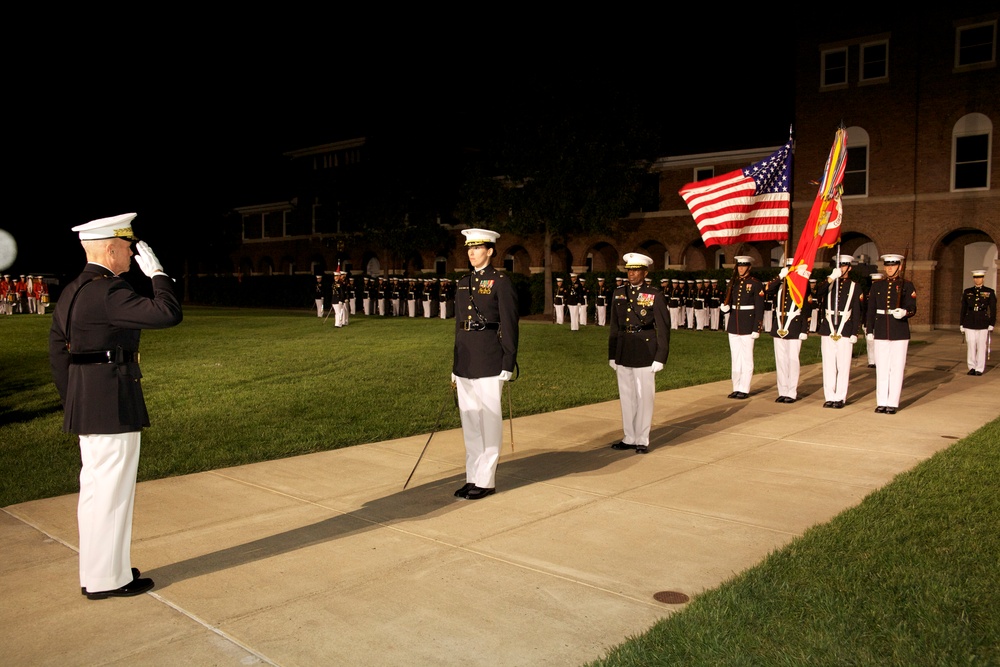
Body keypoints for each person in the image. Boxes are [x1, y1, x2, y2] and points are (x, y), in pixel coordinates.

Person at [48, 213, 182, 600]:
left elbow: (58, 350)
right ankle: (109, 579)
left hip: (89, 401)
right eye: (127, 247)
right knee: (112, 493)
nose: (130, 254)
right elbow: (167, 313)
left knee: (94, 492)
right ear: (110, 249)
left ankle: (101, 570)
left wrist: (73, 398)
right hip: (113, 400)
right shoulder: (108, 290)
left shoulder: (74, 289)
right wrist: (159, 276)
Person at [452, 229, 518, 500]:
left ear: (490, 251)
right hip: (466, 361)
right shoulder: (463, 282)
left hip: (490, 358)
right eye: (469, 248)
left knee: (489, 420)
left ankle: (487, 480)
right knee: (470, 421)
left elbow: (510, 324)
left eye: (477, 248)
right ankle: (472, 477)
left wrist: (508, 360)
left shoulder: (500, 281)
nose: (471, 252)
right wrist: (455, 365)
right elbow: (458, 326)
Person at [608, 253, 670, 454]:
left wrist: (661, 356)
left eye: (636, 270)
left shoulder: (654, 295)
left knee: (644, 396)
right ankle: (629, 436)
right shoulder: (618, 293)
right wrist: (612, 353)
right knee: (627, 396)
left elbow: (663, 327)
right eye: (629, 270)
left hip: (645, 349)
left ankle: (642, 438)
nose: (632, 274)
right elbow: (614, 326)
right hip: (624, 349)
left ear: (645, 272)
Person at [865, 253, 917, 414]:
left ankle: (892, 403)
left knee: (896, 367)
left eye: (893, 265)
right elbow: (871, 310)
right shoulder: (877, 286)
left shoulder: (907, 285)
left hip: (899, 331)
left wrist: (904, 312)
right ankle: (881, 401)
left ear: (899, 267)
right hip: (881, 329)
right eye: (887, 265)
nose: (889, 268)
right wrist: (869, 329)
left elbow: (913, 307)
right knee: (882, 368)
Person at [815, 255, 863, 408]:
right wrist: (831, 278)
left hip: (845, 328)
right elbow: (817, 293)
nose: (841, 269)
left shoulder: (855, 286)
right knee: (828, 364)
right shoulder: (830, 283)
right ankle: (829, 396)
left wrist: (855, 332)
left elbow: (857, 310)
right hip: (828, 327)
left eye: (844, 266)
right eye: (839, 266)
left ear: (849, 267)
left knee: (843, 366)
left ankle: (840, 397)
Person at [766, 259, 812, 403]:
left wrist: (805, 328)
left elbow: (806, 307)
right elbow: (766, 290)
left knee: (792, 360)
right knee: (780, 360)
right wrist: (780, 277)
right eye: (787, 268)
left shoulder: (802, 285)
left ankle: (791, 392)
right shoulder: (780, 284)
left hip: (794, 326)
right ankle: (782, 390)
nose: (790, 271)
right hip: (779, 325)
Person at [719, 256, 764, 399]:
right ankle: (736, 386)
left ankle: (744, 388)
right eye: (739, 266)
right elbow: (731, 302)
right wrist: (725, 308)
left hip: (747, 325)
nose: (741, 268)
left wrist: (757, 327)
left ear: (749, 267)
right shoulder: (734, 283)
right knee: (735, 358)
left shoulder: (755, 283)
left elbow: (759, 308)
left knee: (746, 358)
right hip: (734, 324)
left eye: (744, 266)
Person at [960, 269, 996, 376]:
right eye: (975, 277)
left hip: (983, 321)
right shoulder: (968, 292)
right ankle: (971, 366)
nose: (977, 280)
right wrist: (961, 323)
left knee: (981, 345)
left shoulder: (989, 292)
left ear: (983, 278)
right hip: (969, 321)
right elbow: (963, 308)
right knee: (971, 344)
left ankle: (979, 368)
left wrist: (991, 323)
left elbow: (993, 309)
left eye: (979, 277)